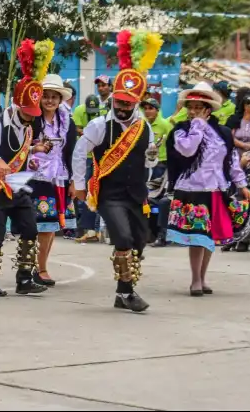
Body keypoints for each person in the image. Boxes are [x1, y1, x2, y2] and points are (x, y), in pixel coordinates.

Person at [72, 30, 163, 313]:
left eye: (127, 103)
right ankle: (126, 292)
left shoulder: (144, 127)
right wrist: (79, 185)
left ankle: (123, 292)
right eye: (118, 102)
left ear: (135, 103)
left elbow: (148, 161)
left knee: (139, 240)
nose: (122, 107)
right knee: (122, 238)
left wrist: (150, 161)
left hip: (136, 193)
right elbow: (79, 151)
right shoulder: (100, 125)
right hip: (109, 193)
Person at [0, 39, 54, 298]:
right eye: (28, 111)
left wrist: (35, 150)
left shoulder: (29, 128)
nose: (32, 116)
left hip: (17, 183)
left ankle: (24, 279)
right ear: (18, 105)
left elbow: (21, 153)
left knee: (30, 228)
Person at [165, 82, 250, 295]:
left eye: (198, 107)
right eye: (190, 106)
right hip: (192, 189)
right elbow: (187, 150)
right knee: (197, 236)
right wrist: (198, 126)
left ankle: (203, 278)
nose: (193, 111)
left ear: (208, 108)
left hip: (216, 189)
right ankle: (195, 280)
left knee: (209, 236)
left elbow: (231, 160)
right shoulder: (181, 131)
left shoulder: (222, 132)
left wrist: (241, 184)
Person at [28, 74, 77, 287]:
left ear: (60, 99)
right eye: (46, 96)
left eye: (54, 97)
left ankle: (40, 266)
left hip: (59, 177)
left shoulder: (67, 123)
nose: (50, 101)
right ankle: (38, 268)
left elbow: (72, 152)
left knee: (52, 224)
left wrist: (74, 181)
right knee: (41, 224)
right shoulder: (31, 119)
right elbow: (21, 146)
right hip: (36, 176)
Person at [72, 94, 105, 243]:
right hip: (85, 157)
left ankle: (96, 230)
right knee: (82, 194)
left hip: (100, 159)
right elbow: (76, 130)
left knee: (97, 193)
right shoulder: (79, 110)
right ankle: (83, 228)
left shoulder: (104, 112)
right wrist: (89, 132)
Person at [141, 98, 173, 245]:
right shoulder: (141, 125)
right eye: (145, 108)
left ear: (157, 110)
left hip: (161, 166)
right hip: (145, 165)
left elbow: (173, 144)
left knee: (158, 199)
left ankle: (160, 234)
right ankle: (147, 233)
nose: (147, 111)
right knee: (145, 198)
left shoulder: (165, 125)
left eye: (151, 108)